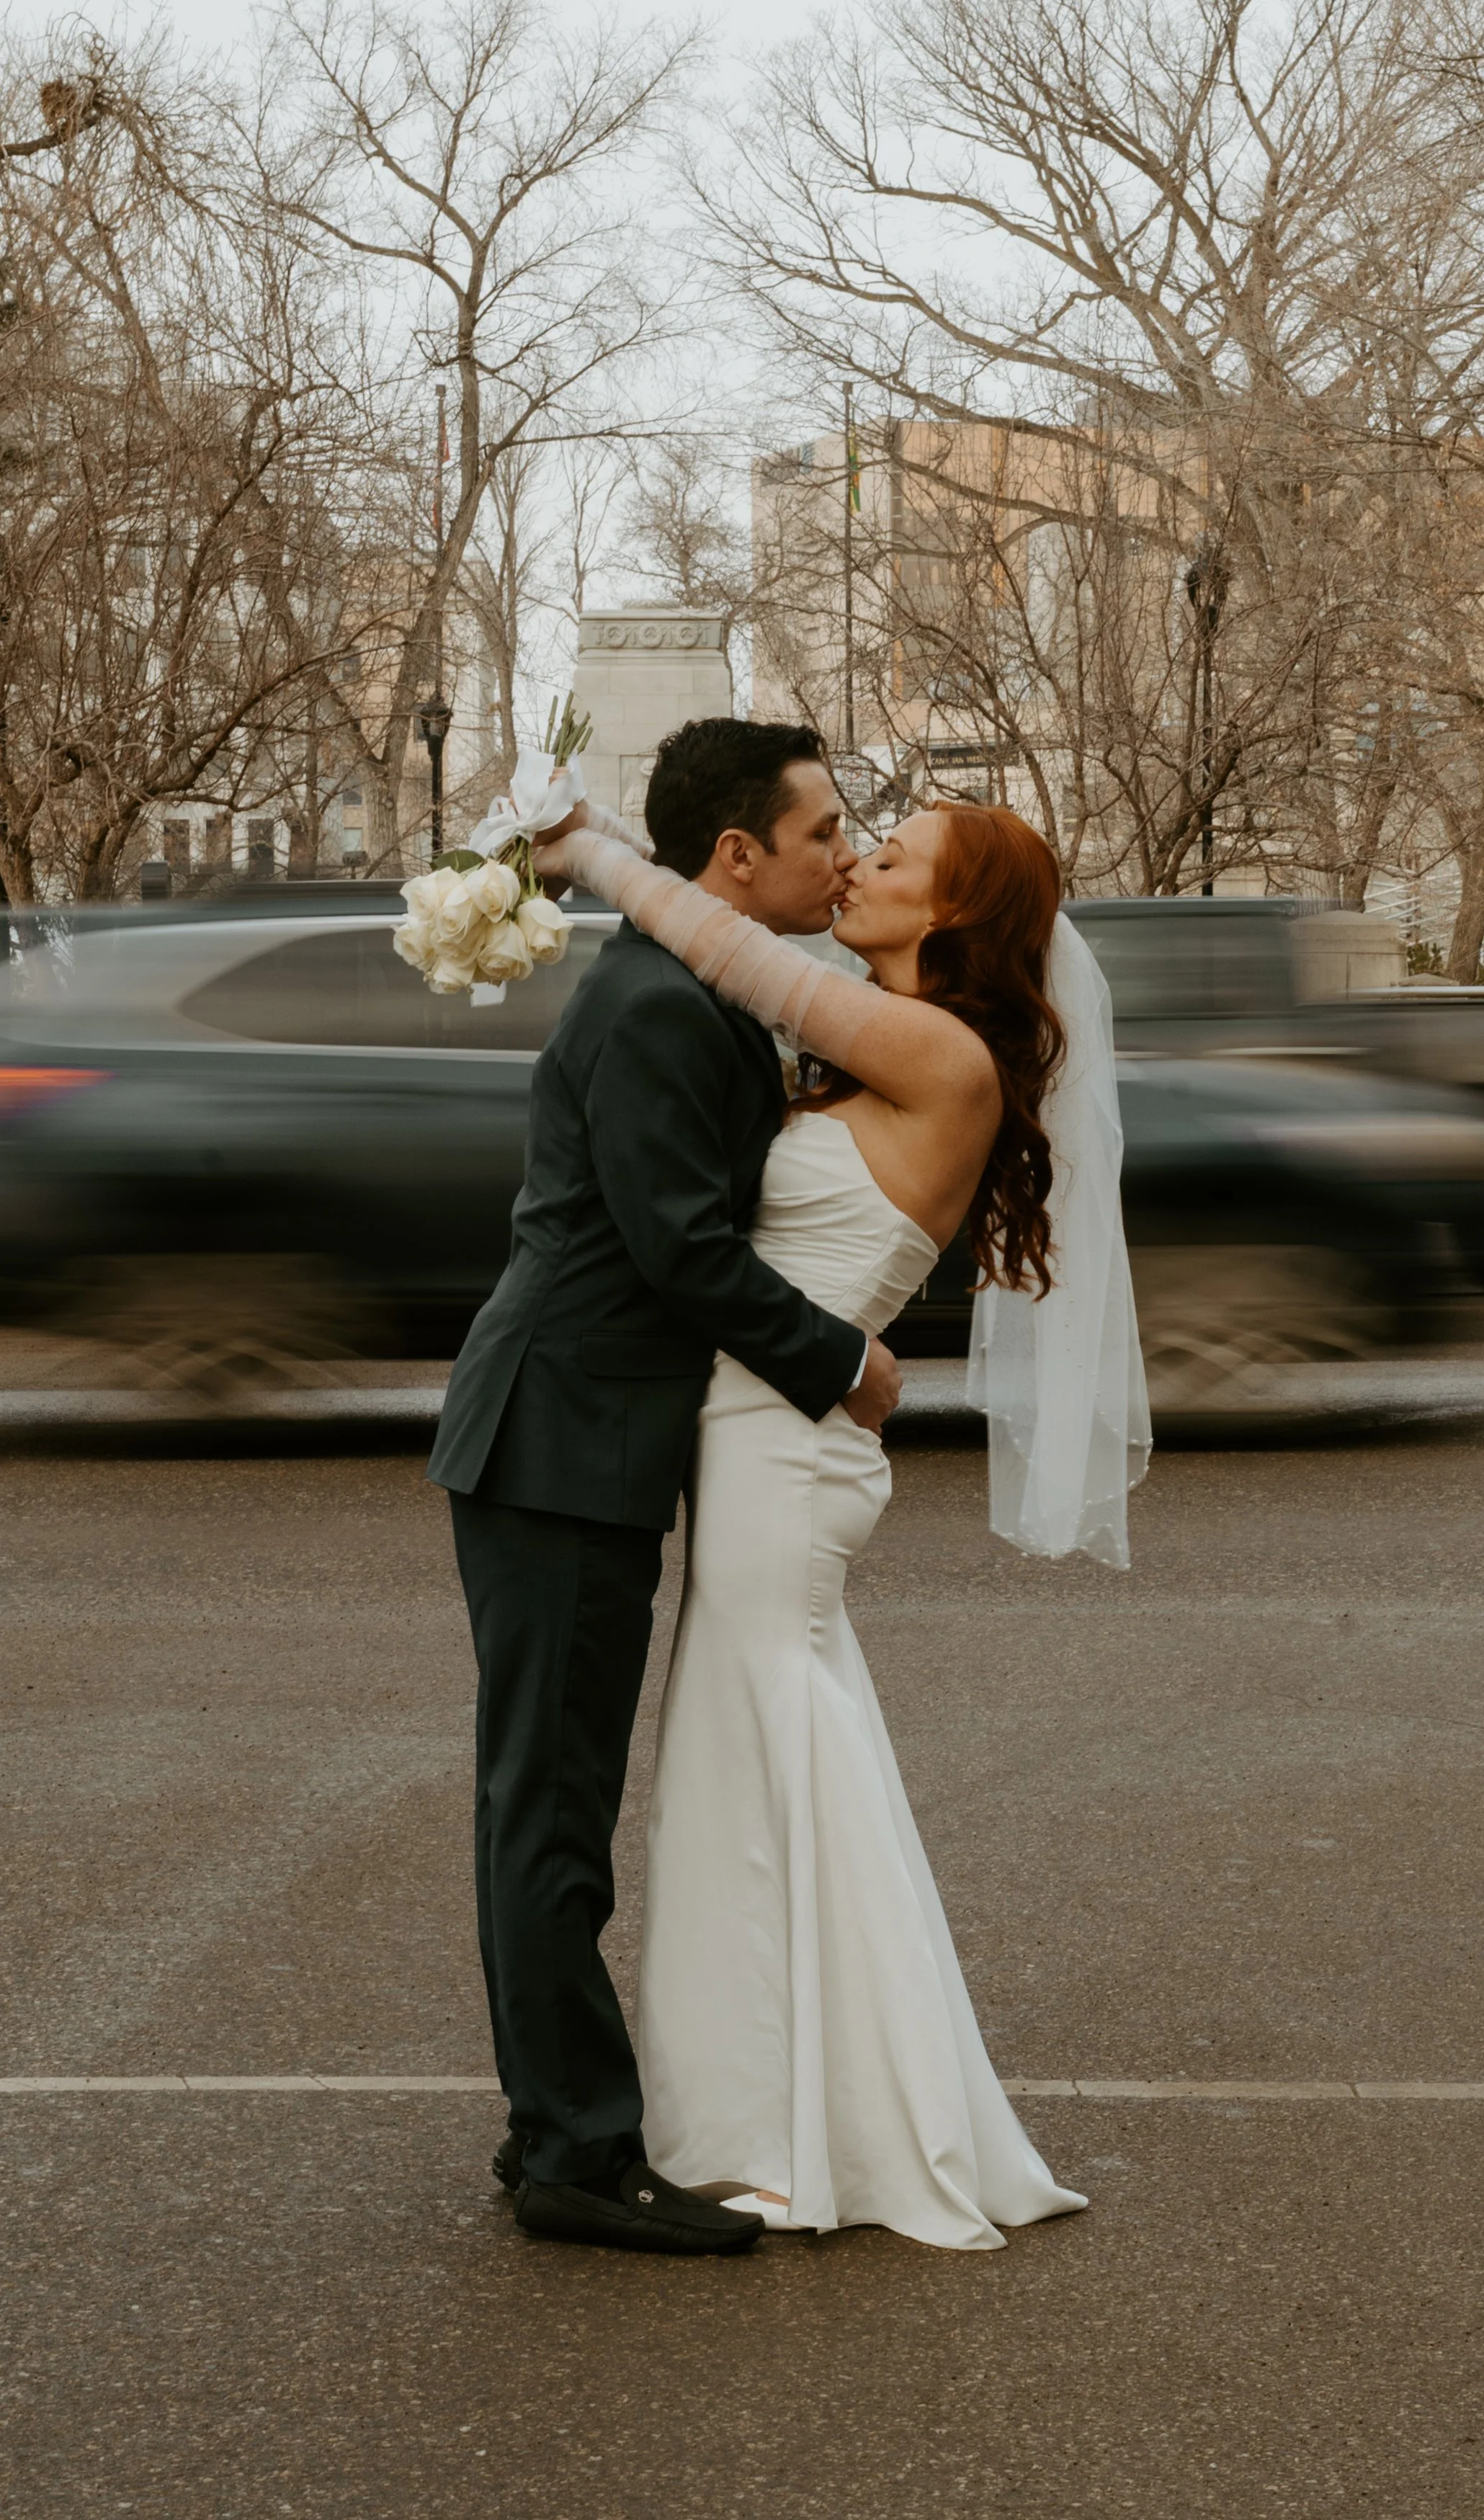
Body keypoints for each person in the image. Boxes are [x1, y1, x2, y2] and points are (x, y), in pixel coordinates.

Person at [532, 787, 1148, 2249]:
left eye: (895, 859)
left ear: (953, 916)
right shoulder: (881, 1047)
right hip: (771, 1444)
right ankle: (804, 2110)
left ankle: (780, 2136)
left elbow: (731, 952)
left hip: (785, 1461)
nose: (860, 864)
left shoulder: (936, 1052)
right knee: (770, 1767)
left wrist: (596, 854)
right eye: (856, 843)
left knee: (759, 1777)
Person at [428, 718, 903, 2257]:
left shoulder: (694, 985)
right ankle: (572, 2150)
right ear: (735, 858)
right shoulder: (655, 1008)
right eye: (825, 831)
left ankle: (548, 2131)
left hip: (583, 1441)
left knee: (550, 1800)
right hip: (558, 1442)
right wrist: (842, 1361)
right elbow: (678, 1249)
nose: (845, 855)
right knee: (549, 1811)